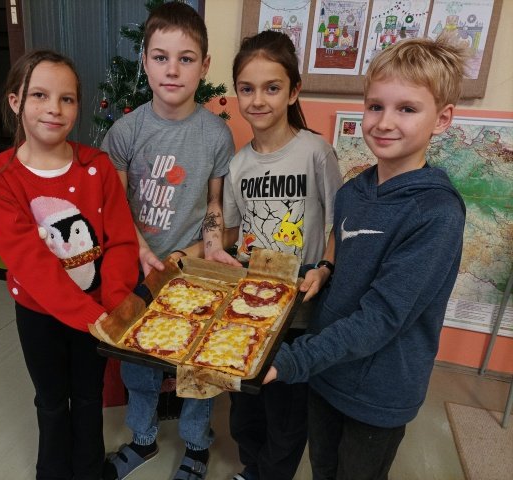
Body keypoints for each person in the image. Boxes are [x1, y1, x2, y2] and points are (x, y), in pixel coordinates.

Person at [265, 37, 468, 480]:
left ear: (442, 119)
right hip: (328, 373)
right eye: (375, 106)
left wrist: (292, 359)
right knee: (323, 467)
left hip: (380, 392)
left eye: (406, 109)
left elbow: (383, 316)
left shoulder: (436, 214)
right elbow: (350, 260)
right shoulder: (353, 191)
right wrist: (325, 269)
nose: (385, 122)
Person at [0, 49, 139, 480]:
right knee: (51, 400)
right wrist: (92, 316)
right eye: (40, 95)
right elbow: (30, 263)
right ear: (16, 102)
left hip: (98, 310)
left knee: (88, 396)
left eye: (67, 99)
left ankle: (88, 470)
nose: (54, 108)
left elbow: (121, 242)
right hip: (39, 313)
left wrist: (114, 304)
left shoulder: (97, 167)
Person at [99, 3, 240, 480]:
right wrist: (141, 252)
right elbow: (115, 206)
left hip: (193, 271)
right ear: (145, 61)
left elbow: (215, 203)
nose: (172, 70)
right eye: (161, 57)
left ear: (204, 65)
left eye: (186, 58)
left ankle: (197, 446)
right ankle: (142, 439)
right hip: (138, 270)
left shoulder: (216, 134)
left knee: (196, 366)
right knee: (139, 365)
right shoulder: (126, 131)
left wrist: (210, 249)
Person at [222, 31, 342, 480]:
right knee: (245, 406)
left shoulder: (316, 152)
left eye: (271, 88)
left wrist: (325, 267)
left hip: (297, 313)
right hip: (249, 308)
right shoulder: (238, 165)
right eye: (247, 88)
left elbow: (339, 224)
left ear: (293, 92)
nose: (258, 100)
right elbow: (232, 232)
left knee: (286, 413)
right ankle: (252, 468)